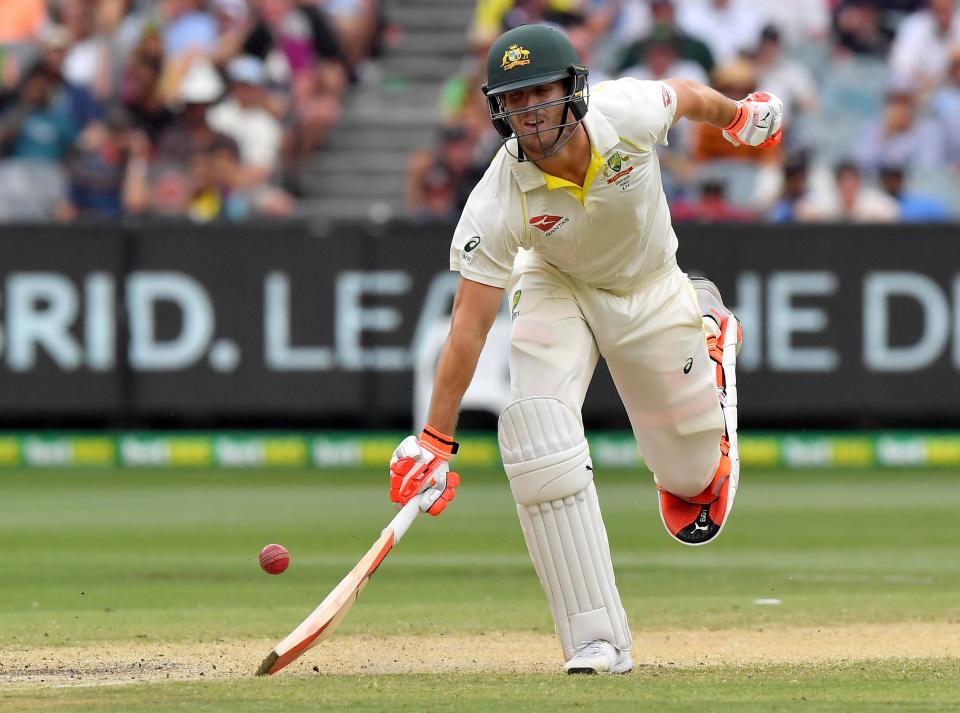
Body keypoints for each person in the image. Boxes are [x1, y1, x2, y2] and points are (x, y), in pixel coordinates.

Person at [386, 24, 783, 675]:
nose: (530, 112)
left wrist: (739, 116)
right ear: (497, 110)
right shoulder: (499, 194)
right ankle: (595, 638)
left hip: (651, 289)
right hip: (556, 285)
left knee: (691, 489)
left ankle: (708, 328)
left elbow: (684, 96)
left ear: (572, 90)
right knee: (536, 426)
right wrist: (434, 437)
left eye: (540, 93)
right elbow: (468, 322)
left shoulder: (622, 113)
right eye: (514, 101)